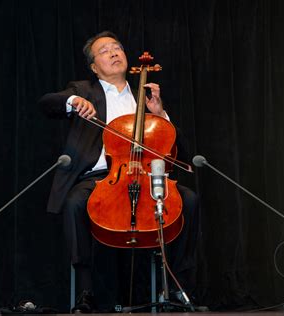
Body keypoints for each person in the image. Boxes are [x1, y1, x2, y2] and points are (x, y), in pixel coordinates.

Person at [39, 31, 200, 312]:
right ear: (93, 66)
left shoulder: (146, 98)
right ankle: (85, 290)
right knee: (76, 202)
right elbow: (47, 103)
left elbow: (180, 153)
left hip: (148, 177)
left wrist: (160, 116)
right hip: (100, 177)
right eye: (105, 51)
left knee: (189, 201)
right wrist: (73, 102)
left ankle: (176, 287)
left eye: (117, 48)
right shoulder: (83, 89)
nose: (114, 53)